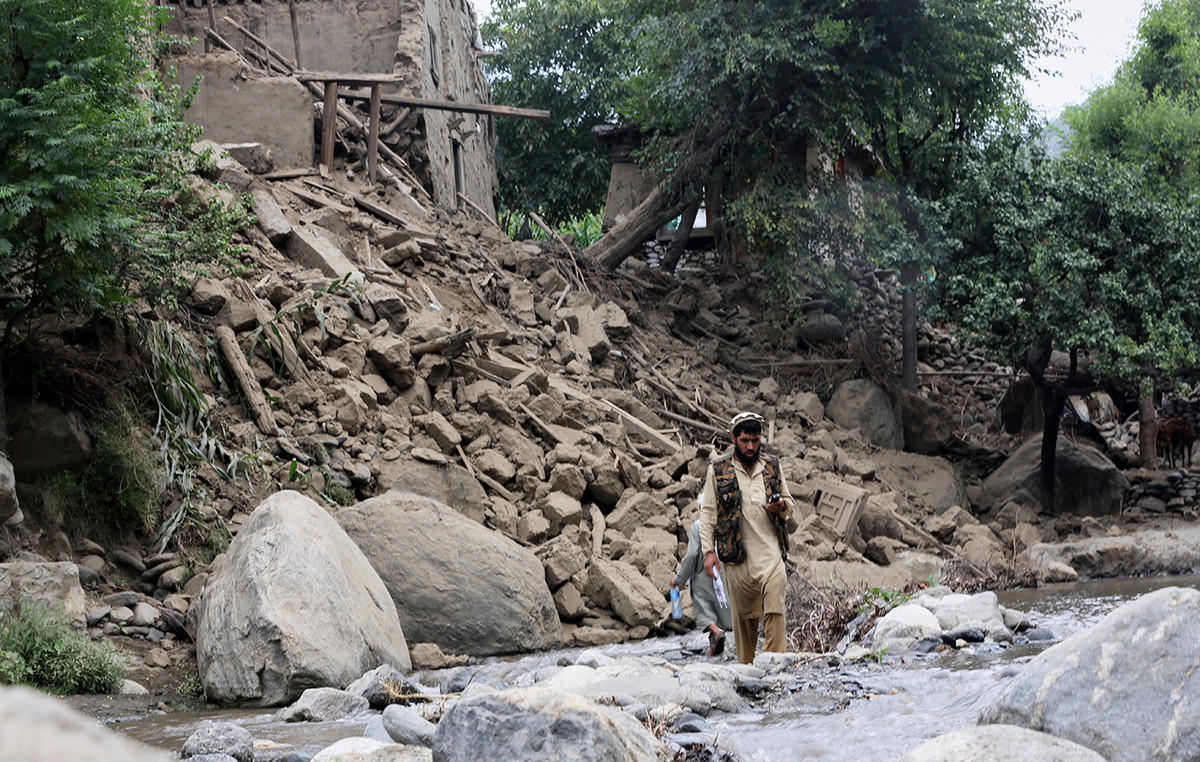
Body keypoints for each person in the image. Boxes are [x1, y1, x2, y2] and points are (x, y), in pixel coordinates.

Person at [699, 411, 795, 664]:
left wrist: (781, 506)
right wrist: (708, 553)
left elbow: (790, 503)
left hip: (771, 554)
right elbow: (708, 513)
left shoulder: (772, 467)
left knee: (775, 609)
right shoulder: (718, 471)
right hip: (737, 559)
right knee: (744, 621)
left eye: (755, 440)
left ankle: (775, 665)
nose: (751, 446)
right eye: (745, 441)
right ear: (733, 438)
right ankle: (747, 669)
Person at [672, 519, 733, 657]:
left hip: (703, 577)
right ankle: (713, 650)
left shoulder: (698, 526)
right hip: (723, 578)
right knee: (719, 614)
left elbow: (692, 555)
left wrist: (679, 579)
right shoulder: (725, 524)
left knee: (704, 615)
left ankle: (716, 632)